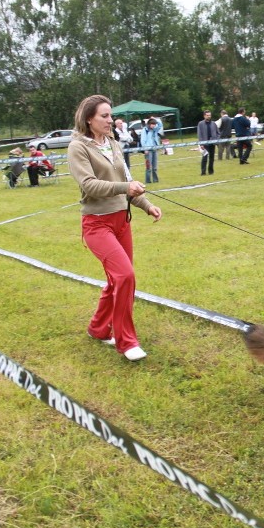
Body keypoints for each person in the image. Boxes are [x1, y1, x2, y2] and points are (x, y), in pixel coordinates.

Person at [67, 94, 162, 362]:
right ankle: (126, 341)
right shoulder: (78, 147)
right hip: (97, 224)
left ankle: (98, 329)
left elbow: (126, 180)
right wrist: (125, 188)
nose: (111, 121)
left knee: (115, 280)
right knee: (125, 276)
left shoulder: (112, 143)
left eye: (110, 115)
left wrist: (146, 205)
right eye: (104, 116)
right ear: (89, 119)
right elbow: (89, 185)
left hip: (122, 220)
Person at [197, 109, 220, 175]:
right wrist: (201, 144)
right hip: (204, 144)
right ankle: (203, 172)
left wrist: (216, 140)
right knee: (204, 158)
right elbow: (199, 134)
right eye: (207, 115)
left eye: (209, 115)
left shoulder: (214, 124)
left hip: (212, 144)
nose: (209, 116)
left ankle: (211, 171)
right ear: (204, 116)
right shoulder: (200, 124)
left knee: (212, 158)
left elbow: (218, 133)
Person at [140, 117, 161, 183]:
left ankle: (155, 180)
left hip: (154, 149)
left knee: (155, 167)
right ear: (149, 124)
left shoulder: (155, 129)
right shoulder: (145, 130)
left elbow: (160, 125)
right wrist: (145, 149)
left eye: (154, 124)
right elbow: (143, 140)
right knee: (148, 166)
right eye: (152, 124)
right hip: (148, 150)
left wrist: (155, 119)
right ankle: (148, 180)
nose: (154, 125)